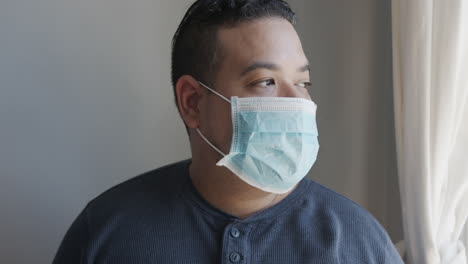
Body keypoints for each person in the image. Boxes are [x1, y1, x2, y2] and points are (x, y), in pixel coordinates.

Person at [53, 0, 404, 263]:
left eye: (303, 81)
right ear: (192, 102)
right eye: (266, 81)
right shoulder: (106, 233)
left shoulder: (360, 242)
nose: (297, 101)